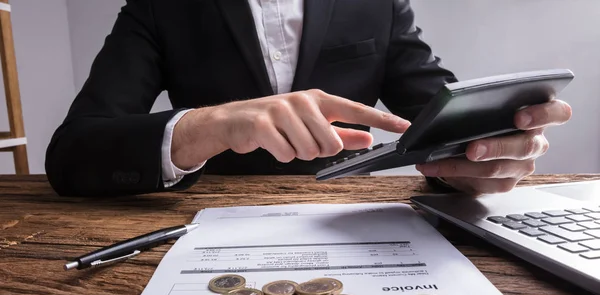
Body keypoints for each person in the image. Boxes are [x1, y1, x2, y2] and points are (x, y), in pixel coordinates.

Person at [45, 0, 572, 197]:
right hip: (199, 227)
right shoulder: (159, 7)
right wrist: (212, 125)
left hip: (352, 224)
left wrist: (485, 151)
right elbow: (73, 152)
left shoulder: (379, 4)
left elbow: (440, 118)